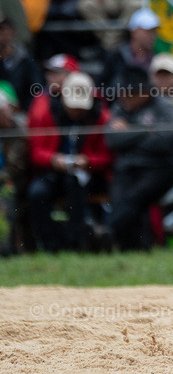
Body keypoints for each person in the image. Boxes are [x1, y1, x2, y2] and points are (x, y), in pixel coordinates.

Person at [26, 72, 111, 252]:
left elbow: (107, 157)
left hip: (88, 175)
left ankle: (75, 244)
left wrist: (87, 161)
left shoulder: (101, 117)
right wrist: (53, 159)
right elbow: (35, 152)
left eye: (81, 107)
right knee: (37, 193)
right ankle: (51, 246)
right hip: (52, 171)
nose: (77, 111)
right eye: (73, 106)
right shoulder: (46, 113)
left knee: (74, 186)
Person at [104, 66, 173, 250]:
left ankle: (106, 231)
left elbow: (167, 139)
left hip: (158, 168)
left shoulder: (163, 106)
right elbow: (111, 139)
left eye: (128, 93)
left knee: (133, 198)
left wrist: (129, 133)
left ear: (144, 93)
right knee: (120, 197)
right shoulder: (120, 108)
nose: (123, 97)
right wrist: (146, 130)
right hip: (126, 168)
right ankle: (130, 248)